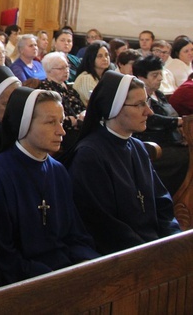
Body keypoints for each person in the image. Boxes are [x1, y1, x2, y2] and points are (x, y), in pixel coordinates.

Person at [0, 87, 98, 283]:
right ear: (23, 125)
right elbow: (1, 256)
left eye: (61, 121)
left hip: (64, 274)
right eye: (51, 122)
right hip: (26, 284)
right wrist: (50, 278)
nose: (62, 131)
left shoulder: (58, 171)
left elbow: (75, 234)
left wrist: (86, 262)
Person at [64, 71, 181, 255]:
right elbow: (102, 224)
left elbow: (162, 202)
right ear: (115, 108)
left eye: (147, 102)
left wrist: (174, 238)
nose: (148, 111)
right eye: (139, 104)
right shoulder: (89, 155)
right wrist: (150, 251)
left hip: (153, 247)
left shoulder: (138, 147)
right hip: (122, 255)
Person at [132, 55, 188, 195]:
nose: (160, 78)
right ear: (141, 77)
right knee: (185, 157)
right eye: (155, 75)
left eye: (160, 74)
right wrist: (178, 121)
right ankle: (174, 197)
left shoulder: (160, 95)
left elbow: (172, 115)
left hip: (173, 140)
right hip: (153, 143)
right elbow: (151, 119)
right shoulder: (137, 98)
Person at [39, 52, 86, 152]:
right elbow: (50, 118)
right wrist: (74, 120)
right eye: (61, 68)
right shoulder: (45, 88)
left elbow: (83, 107)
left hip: (79, 127)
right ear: (49, 71)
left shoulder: (69, 87)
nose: (66, 71)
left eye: (67, 67)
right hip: (64, 132)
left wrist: (83, 114)